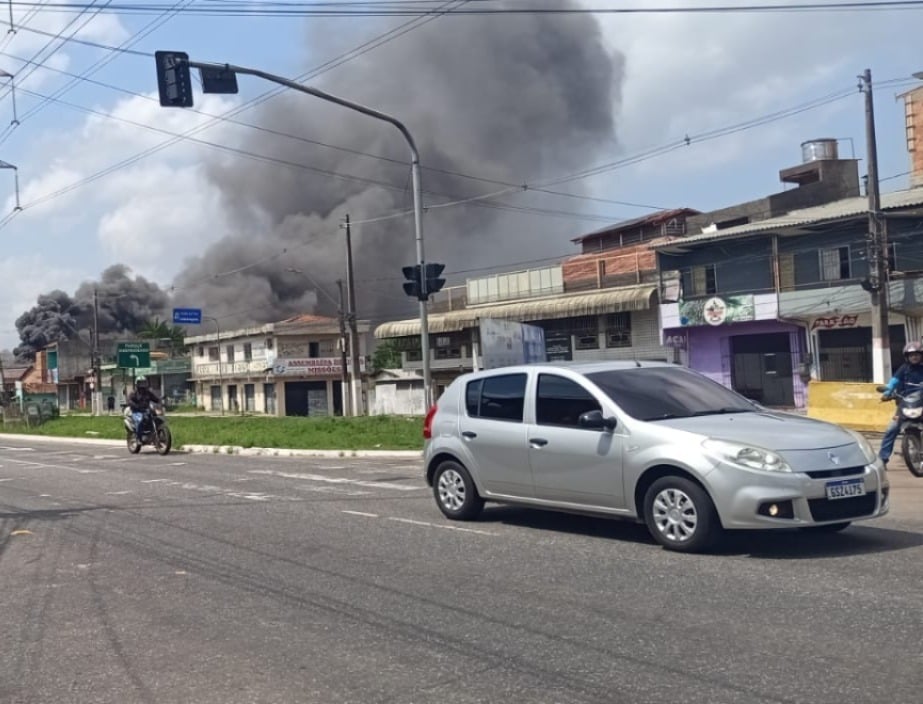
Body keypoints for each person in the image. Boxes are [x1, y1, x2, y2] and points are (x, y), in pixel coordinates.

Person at [878, 341, 923, 465]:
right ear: (907, 357)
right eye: (911, 355)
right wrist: (887, 393)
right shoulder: (904, 368)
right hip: (906, 404)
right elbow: (894, 381)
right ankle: (882, 459)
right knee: (891, 429)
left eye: (917, 354)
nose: (914, 357)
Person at [128, 376, 161, 443]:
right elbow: (130, 401)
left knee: (157, 418)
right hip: (136, 411)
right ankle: (138, 438)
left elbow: (155, 398)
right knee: (140, 420)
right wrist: (136, 406)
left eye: (143, 383)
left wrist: (160, 400)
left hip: (146, 410)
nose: (142, 385)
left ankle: (156, 434)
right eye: (140, 383)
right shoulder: (134, 393)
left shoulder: (148, 392)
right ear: (137, 384)